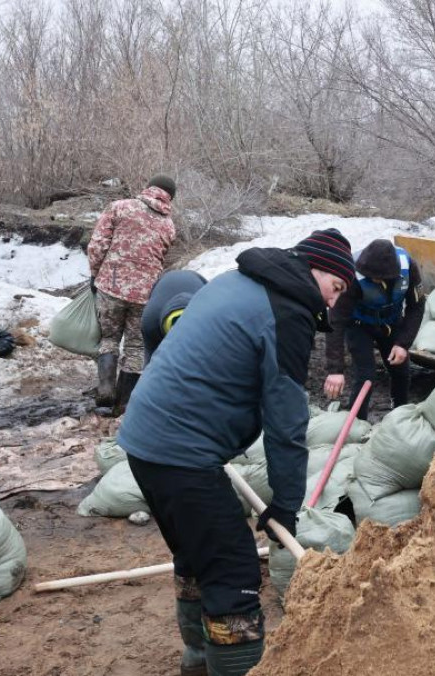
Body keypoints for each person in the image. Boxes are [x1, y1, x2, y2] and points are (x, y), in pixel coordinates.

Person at [117, 229, 355, 676]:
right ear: (313, 267)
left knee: (195, 554)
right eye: (335, 287)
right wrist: (285, 505)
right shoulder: (288, 314)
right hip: (181, 452)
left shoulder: (235, 280)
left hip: (144, 442)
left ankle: (198, 661)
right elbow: (287, 425)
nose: (332, 303)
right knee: (234, 576)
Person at [87, 175, 178, 413]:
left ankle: (105, 390)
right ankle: (124, 403)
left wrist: (96, 274)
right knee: (136, 347)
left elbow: (97, 245)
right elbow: (160, 257)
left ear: (148, 188)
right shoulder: (168, 225)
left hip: (111, 285)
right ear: (170, 197)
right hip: (145, 293)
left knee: (109, 339)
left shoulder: (120, 207)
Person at [323, 240, 425, 419]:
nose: (372, 280)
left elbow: (416, 306)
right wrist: (335, 369)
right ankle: (356, 422)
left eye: (376, 278)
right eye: (368, 276)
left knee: (401, 369)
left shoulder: (408, 267)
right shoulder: (352, 275)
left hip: (391, 321)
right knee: (365, 375)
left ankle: (399, 414)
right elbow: (336, 321)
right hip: (358, 324)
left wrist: (403, 343)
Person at [141, 269, 207, 370]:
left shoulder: (208, 315)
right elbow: (150, 360)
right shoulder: (150, 323)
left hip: (196, 280)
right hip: (163, 284)